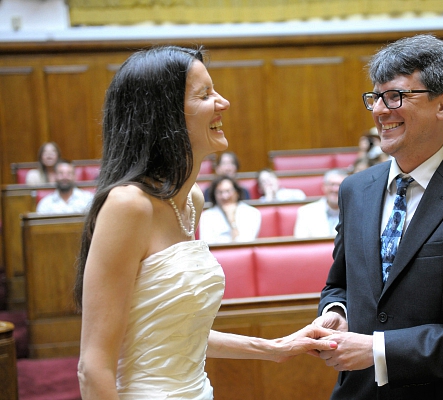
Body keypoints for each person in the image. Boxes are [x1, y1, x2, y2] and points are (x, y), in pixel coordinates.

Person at [73, 46, 336, 400]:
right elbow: (93, 368)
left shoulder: (192, 198)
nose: (223, 102)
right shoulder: (129, 206)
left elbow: (174, 332)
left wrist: (275, 348)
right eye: (205, 94)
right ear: (164, 115)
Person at [313, 34, 443, 400]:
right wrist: (337, 312)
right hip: (359, 392)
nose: (380, 110)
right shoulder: (355, 190)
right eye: (375, 98)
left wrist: (379, 351)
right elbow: (341, 283)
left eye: (396, 96)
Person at [200, 175, 261, 243]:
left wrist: (232, 220)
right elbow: (207, 244)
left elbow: (246, 243)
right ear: (214, 195)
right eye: (220, 192)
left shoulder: (252, 213)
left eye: (228, 191)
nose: (225, 196)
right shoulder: (206, 216)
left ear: (237, 193)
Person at [293, 169, 347, 238]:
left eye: (340, 185)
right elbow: (301, 245)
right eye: (332, 184)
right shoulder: (305, 212)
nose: (335, 189)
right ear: (324, 187)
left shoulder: (354, 213)